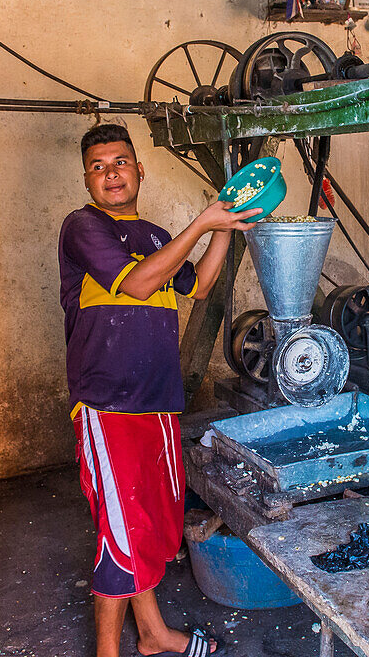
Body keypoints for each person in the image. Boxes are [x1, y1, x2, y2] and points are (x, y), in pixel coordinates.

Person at [58, 123, 258, 657]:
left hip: (158, 401)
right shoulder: (82, 227)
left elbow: (201, 284)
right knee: (121, 531)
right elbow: (141, 282)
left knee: (149, 523)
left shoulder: (151, 235)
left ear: (138, 170)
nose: (111, 174)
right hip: (108, 406)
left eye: (120, 162)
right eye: (98, 167)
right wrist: (201, 222)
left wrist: (226, 225)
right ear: (86, 179)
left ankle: (151, 634)